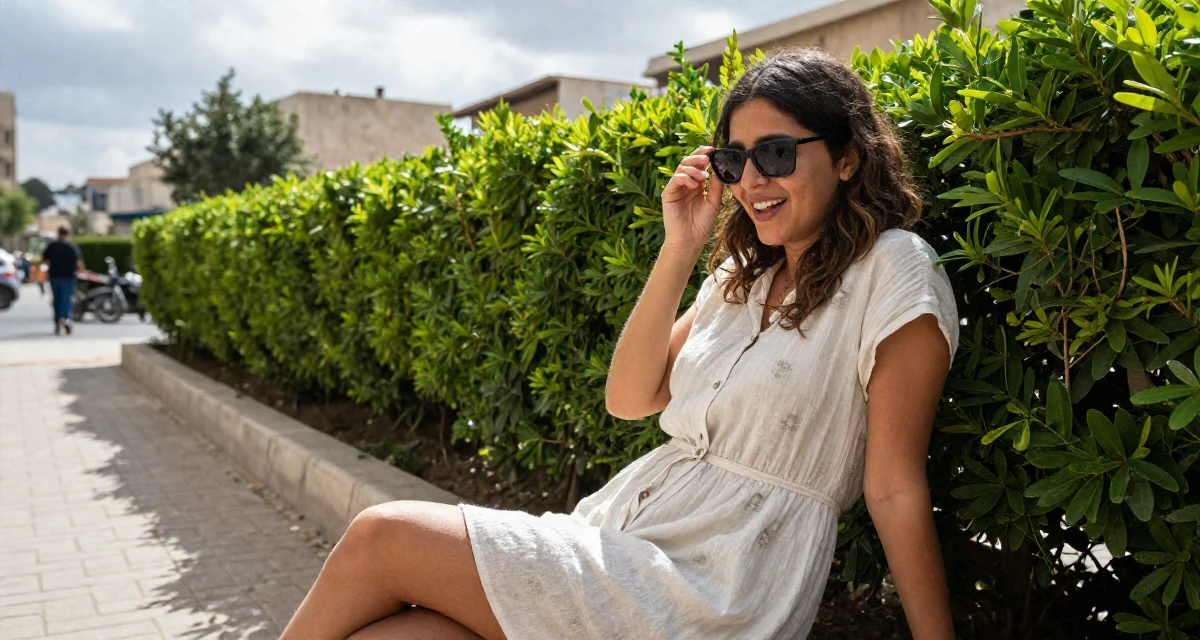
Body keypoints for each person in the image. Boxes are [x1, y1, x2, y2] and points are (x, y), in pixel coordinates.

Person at [280, 48, 959, 640]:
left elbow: (894, 488)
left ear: (847, 157)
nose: (752, 180)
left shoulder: (894, 268)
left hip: (720, 590)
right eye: (733, 160)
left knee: (383, 535)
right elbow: (630, 398)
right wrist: (681, 246)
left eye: (776, 153)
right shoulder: (736, 281)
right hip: (627, 539)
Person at [41, 226, 85, 335]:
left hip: (54, 276)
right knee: (66, 299)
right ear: (67, 234)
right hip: (68, 277)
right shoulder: (71, 246)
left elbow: (44, 259)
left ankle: (57, 321)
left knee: (56, 299)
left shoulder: (52, 246)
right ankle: (65, 318)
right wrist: (83, 272)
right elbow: (78, 262)